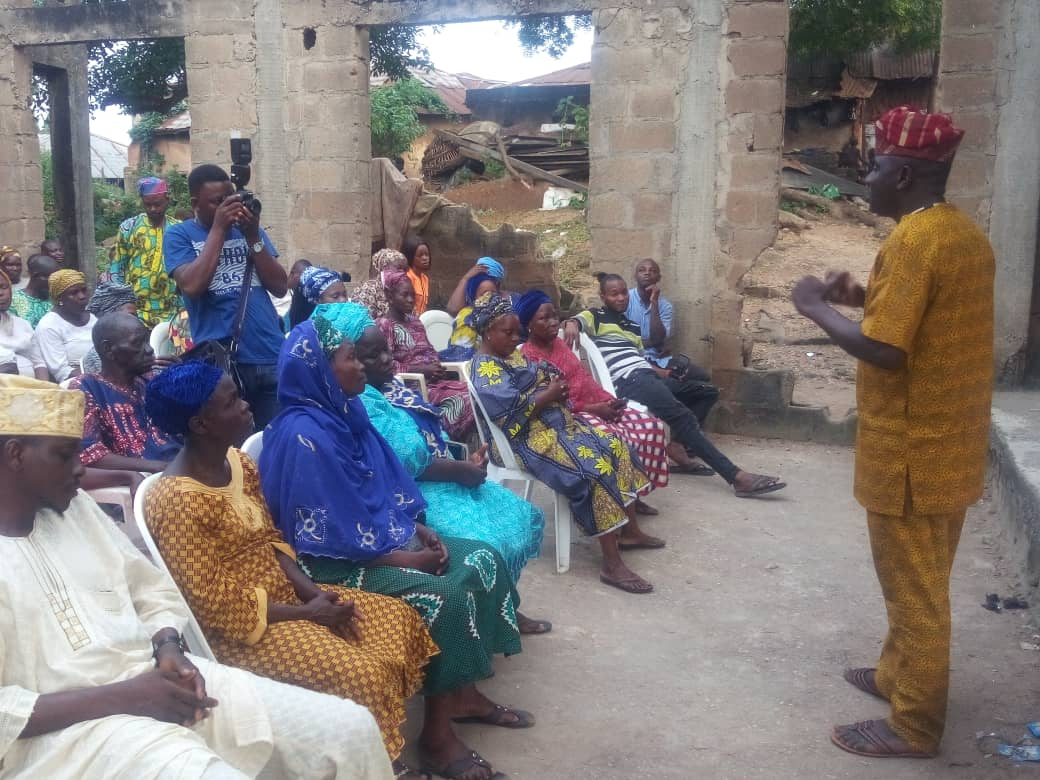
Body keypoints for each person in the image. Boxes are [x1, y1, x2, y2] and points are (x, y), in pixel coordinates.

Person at [0, 375, 395, 779]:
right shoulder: (167, 498)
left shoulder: (78, 511)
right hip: (72, 737)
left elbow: (150, 590)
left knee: (351, 729)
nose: (81, 468)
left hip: (168, 679)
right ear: (15, 455)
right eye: (64, 455)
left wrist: (169, 647)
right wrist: (127, 696)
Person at [792, 106, 994, 760]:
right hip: (949, 448)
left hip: (910, 454)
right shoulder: (960, 233)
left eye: (876, 164)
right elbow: (921, 318)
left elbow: (886, 350)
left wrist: (815, 308)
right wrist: (857, 298)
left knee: (916, 594)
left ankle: (914, 725)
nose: (868, 175)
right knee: (922, 577)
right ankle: (895, 677)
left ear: (903, 175)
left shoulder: (913, 241)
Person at [261, 312, 530, 780]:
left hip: (382, 541)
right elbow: (329, 537)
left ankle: (461, 694)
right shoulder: (304, 436)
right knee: (445, 597)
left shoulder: (346, 414)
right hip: (331, 566)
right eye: (350, 359)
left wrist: (419, 530)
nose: (360, 367)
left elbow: (384, 487)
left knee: (481, 558)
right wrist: (410, 560)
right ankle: (437, 739)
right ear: (321, 369)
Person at [144, 362, 438, 779]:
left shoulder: (238, 463)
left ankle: (376, 746)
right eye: (232, 401)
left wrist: (313, 595)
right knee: (363, 673)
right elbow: (217, 607)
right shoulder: (176, 502)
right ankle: (377, 765)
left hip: (290, 598)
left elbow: (272, 540)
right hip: (244, 632)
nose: (246, 406)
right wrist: (308, 613)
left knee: (397, 619)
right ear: (200, 423)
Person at [329, 302, 550, 634]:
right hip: (410, 494)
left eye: (386, 350)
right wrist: (459, 470)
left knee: (519, 514)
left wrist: (464, 462)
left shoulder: (389, 387)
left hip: (443, 474)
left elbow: (430, 436)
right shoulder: (361, 402)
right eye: (370, 356)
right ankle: (481, 619)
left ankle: (502, 607)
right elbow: (402, 463)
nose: (387, 360)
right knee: (484, 540)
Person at [469, 292, 665, 595]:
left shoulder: (510, 355)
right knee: (593, 471)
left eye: (516, 331)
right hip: (523, 440)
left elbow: (537, 375)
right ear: (487, 333)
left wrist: (552, 386)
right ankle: (611, 564)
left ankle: (630, 531)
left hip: (553, 424)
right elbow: (507, 414)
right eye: (508, 333)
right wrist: (546, 395)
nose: (515, 338)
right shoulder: (485, 368)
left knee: (616, 445)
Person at [565, 273, 786, 498]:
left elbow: (639, 359)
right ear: (603, 297)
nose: (621, 298)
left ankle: (677, 445)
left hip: (645, 375)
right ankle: (737, 477)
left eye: (623, 293)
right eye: (614, 294)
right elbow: (574, 322)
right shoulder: (596, 315)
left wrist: (666, 373)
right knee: (682, 416)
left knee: (705, 392)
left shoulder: (631, 326)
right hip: (628, 380)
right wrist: (572, 323)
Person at [517, 290, 708, 506]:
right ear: (529, 324)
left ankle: (632, 493)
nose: (553, 322)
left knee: (651, 427)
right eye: (544, 318)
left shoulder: (559, 344)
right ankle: (618, 497)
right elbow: (553, 405)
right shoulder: (529, 359)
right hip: (570, 418)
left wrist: (608, 400)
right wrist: (595, 409)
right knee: (617, 439)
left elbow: (584, 378)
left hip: (595, 404)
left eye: (554, 315)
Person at [163, 164, 288, 430]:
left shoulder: (249, 230)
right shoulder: (179, 235)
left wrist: (253, 236)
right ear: (195, 204)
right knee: (234, 444)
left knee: (274, 440)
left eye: (230, 197)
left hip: (269, 353)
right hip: (224, 362)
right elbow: (192, 285)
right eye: (217, 202)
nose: (228, 206)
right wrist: (219, 229)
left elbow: (280, 286)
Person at [70, 311, 180, 474]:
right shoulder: (86, 388)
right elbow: (91, 455)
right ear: (108, 349)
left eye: (146, 341)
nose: (149, 349)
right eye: (137, 343)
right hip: (146, 478)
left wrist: (183, 381)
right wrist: (161, 468)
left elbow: (190, 426)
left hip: (181, 467)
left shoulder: (150, 380)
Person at [378, 270, 475, 439]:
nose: (410, 299)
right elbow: (386, 365)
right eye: (404, 295)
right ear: (390, 296)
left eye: (412, 295)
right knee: (465, 400)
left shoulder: (415, 322)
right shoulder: (385, 326)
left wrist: (436, 368)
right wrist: (422, 370)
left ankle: (478, 443)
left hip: (435, 381)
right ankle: (447, 438)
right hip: (412, 387)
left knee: (478, 392)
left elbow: (430, 351)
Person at [101, 177, 182, 327]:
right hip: (136, 312)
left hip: (173, 313)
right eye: (147, 204)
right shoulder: (129, 227)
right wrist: (121, 305)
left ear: (167, 200)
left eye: (157, 204)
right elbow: (117, 267)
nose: (153, 209)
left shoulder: (178, 229)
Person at [34, 270, 96, 383]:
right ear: (59, 298)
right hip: (74, 383)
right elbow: (62, 372)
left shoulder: (93, 318)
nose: (82, 296)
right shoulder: (48, 326)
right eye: (74, 293)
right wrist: (100, 377)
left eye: (84, 290)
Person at [624, 258, 676, 369]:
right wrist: (653, 343)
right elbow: (623, 340)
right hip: (631, 358)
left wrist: (654, 302)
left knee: (700, 375)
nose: (647, 273)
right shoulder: (625, 300)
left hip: (658, 358)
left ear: (658, 278)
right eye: (642, 270)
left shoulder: (665, 306)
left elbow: (658, 339)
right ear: (635, 276)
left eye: (652, 271)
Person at [81, 282, 139, 375]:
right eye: (129, 317)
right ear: (109, 320)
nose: (136, 322)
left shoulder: (143, 346)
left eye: (136, 316)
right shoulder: (96, 359)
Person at [0, 269, 47, 379]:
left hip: (33, 386)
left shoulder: (22, 324)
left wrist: (44, 386)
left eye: (3, 287)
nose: (1, 293)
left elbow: (39, 363)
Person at [349, 248, 408, 319]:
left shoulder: (403, 291)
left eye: (405, 269)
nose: (402, 273)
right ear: (384, 268)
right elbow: (363, 321)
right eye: (398, 268)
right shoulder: (366, 290)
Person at [448, 271, 500, 350]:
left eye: (493, 293)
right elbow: (460, 352)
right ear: (474, 297)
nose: (489, 297)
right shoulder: (467, 317)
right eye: (484, 294)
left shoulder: (499, 315)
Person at [10, 253, 57, 327]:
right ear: (35, 275)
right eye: (51, 278)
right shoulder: (13, 301)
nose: (54, 281)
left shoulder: (56, 298)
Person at [402, 235, 432, 315]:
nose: (425, 258)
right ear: (411, 257)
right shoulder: (407, 277)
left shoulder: (425, 278)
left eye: (427, 254)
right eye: (420, 255)